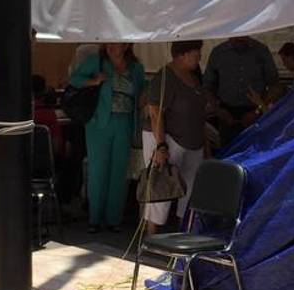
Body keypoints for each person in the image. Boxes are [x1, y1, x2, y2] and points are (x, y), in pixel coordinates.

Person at [70, 44, 145, 233]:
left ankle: (114, 219)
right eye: (109, 42)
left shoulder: (136, 67)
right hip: (98, 122)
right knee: (97, 169)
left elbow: (142, 93)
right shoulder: (96, 61)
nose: (112, 46)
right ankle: (94, 218)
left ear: (126, 44)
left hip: (125, 121)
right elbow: (74, 79)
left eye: (116, 42)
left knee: (119, 171)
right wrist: (94, 81)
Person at [141, 40, 208, 234]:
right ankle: (150, 238)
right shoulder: (166, 77)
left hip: (192, 142)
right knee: (161, 190)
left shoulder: (194, 76)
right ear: (182, 55)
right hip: (169, 139)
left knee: (189, 192)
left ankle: (182, 237)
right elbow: (155, 112)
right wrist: (161, 146)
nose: (199, 57)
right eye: (196, 53)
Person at [203, 36, 278, 148]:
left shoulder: (261, 51)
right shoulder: (218, 52)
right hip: (226, 114)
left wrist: (258, 110)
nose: (240, 38)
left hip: (254, 113)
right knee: (227, 155)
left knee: (254, 154)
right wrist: (218, 110)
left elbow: (275, 85)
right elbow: (207, 86)